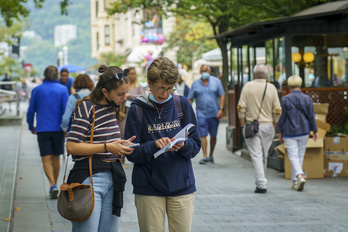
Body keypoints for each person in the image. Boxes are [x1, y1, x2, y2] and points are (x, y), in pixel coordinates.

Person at [124, 57, 201, 232]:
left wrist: (183, 145)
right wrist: (153, 145)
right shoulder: (137, 109)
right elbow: (131, 152)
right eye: (160, 88)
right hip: (148, 187)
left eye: (169, 88)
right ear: (149, 84)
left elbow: (195, 145)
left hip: (182, 185)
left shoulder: (182, 104)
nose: (164, 94)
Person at [66, 65, 136, 232]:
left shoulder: (113, 108)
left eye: (126, 93)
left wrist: (121, 145)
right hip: (90, 180)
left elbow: (106, 141)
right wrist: (107, 147)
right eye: (120, 94)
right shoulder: (87, 107)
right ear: (105, 91)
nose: (124, 97)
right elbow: (71, 146)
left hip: (113, 179)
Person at [237, 64, 281, 194]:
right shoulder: (271, 87)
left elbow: (241, 107)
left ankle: (261, 184)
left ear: (254, 74)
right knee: (264, 155)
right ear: (266, 75)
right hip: (268, 125)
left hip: (251, 126)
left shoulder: (248, 86)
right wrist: (274, 125)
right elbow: (277, 110)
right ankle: (261, 180)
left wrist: (241, 125)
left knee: (256, 155)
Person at [26, 65, 69, 199]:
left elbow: (30, 110)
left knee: (45, 158)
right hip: (58, 129)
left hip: (43, 128)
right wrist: (67, 128)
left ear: (44, 74)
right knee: (56, 157)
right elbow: (66, 111)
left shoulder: (37, 90)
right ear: (56, 75)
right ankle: (54, 184)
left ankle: (52, 185)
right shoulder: (63, 89)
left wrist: (30, 126)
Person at [277, 75, 318, 191]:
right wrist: (315, 130)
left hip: (289, 131)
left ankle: (299, 176)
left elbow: (283, 117)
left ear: (289, 86)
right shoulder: (307, 98)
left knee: (293, 155)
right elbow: (311, 116)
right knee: (300, 156)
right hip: (304, 131)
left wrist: (279, 131)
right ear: (300, 85)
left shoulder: (285, 99)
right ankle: (295, 181)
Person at [188, 64, 225, 164]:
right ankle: (204, 156)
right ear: (200, 72)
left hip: (214, 113)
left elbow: (222, 95)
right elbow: (190, 99)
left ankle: (211, 154)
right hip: (201, 113)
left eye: (206, 70)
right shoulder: (195, 84)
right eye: (202, 71)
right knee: (202, 134)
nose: (204, 72)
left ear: (209, 71)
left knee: (213, 135)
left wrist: (221, 109)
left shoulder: (216, 82)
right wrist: (189, 113)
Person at [119, 67, 145, 139]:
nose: (132, 75)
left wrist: (129, 95)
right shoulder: (124, 85)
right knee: (122, 130)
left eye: (134, 74)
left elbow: (142, 97)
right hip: (123, 111)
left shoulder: (138, 86)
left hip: (135, 111)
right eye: (131, 74)